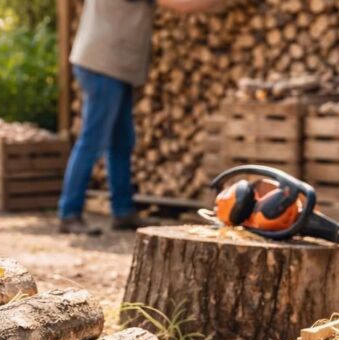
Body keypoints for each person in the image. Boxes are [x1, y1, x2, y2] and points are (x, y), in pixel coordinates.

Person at [58, 0, 224, 235]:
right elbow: (181, 4)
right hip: (104, 63)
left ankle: (122, 211)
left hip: (113, 65)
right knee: (92, 141)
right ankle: (69, 213)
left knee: (121, 142)